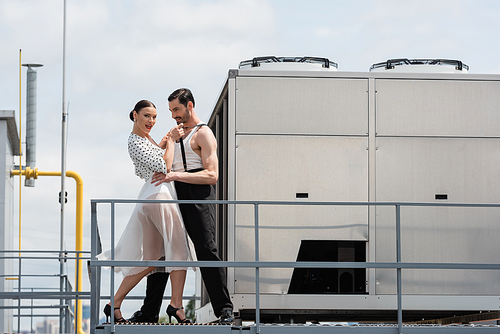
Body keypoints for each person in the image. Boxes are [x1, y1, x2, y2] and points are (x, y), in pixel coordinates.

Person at [129, 89, 234, 324]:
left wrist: (175, 175)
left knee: (206, 249)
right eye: (171, 111)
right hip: (172, 194)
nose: (174, 115)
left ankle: (224, 309)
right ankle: (149, 312)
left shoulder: (203, 133)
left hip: (196, 194)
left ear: (190, 105)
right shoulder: (175, 134)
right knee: (162, 254)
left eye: (177, 109)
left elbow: (212, 175)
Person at [97, 100, 195, 324]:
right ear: (134, 115)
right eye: (146, 116)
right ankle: (177, 306)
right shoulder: (134, 141)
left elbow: (157, 157)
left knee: (152, 259)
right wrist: (170, 141)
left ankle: (114, 304)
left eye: (154, 117)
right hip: (159, 197)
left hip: (149, 199)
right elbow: (165, 166)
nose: (151, 121)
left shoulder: (144, 139)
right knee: (179, 250)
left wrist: (162, 143)